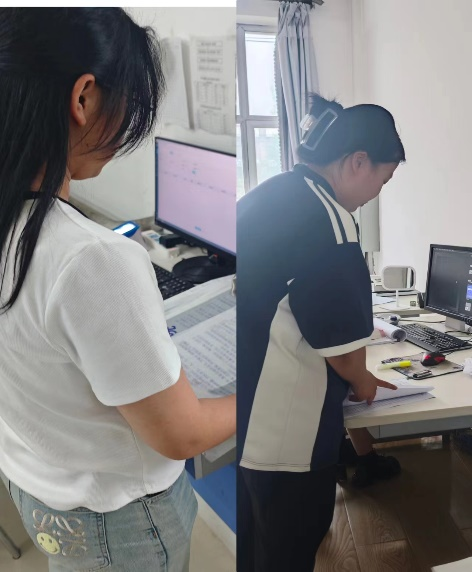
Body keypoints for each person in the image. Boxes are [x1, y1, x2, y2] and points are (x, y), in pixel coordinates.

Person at [0, 8, 235, 572]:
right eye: (130, 102)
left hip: (38, 487)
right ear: (83, 97)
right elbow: (182, 436)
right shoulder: (91, 259)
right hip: (117, 521)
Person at [237, 93, 405, 572]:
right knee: (290, 550)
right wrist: (365, 382)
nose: (376, 193)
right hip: (286, 433)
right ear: (358, 162)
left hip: (245, 416)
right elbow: (345, 355)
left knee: (255, 548)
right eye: (382, 180)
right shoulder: (329, 222)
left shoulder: (270, 194)